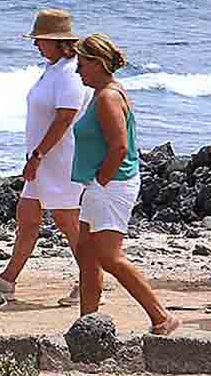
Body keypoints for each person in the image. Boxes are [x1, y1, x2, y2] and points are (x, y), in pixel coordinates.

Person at [69, 33, 181, 335]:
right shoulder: (102, 91)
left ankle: (161, 316)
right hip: (101, 184)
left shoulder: (107, 96)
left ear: (97, 63)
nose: (78, 71)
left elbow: (119, 146)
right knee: (87, 252)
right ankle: (87, 322)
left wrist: (102, 179)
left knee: (109, 257)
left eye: (81, 64)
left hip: (112, 184)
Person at [0, 9, 88, 305]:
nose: (35, 44)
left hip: (58, 159)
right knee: (28, 215)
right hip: (43, 158)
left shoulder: (70, 72)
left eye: (40, 39)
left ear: (57, 41)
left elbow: (65, 118)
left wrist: (37, 155)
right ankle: (8, 279)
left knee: (67, 221)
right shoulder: (54, 68)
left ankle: (90, 279)